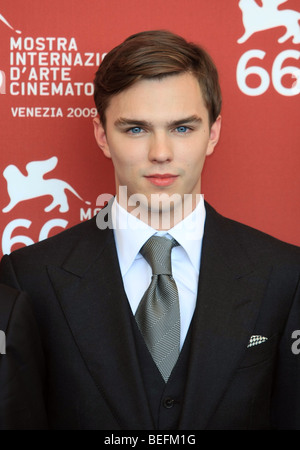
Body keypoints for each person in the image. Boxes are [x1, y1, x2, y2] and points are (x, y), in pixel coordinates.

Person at [0, 30, 299, 430]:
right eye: (136, 129)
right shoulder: (29, 278)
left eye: (182, 128)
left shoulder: (284, 273)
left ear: (213, 133)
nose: (161, 153)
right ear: (102, 135)